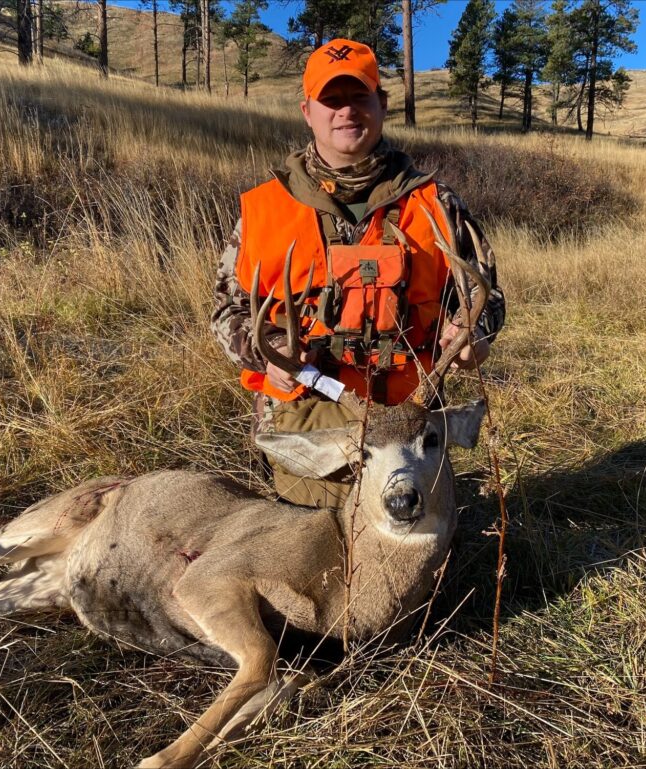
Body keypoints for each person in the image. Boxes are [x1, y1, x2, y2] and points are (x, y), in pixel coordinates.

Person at [212, 38, 505, 508]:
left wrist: (472, 332)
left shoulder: (437, 204)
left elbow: (484, 296)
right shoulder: (264, 210)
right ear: (307, 110)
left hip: (409, 424)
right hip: (307, 428)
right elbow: (227, 310)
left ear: (381, 104)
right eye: (332, 100)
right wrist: (265, 350)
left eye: (359, 96)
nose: (346, 111)